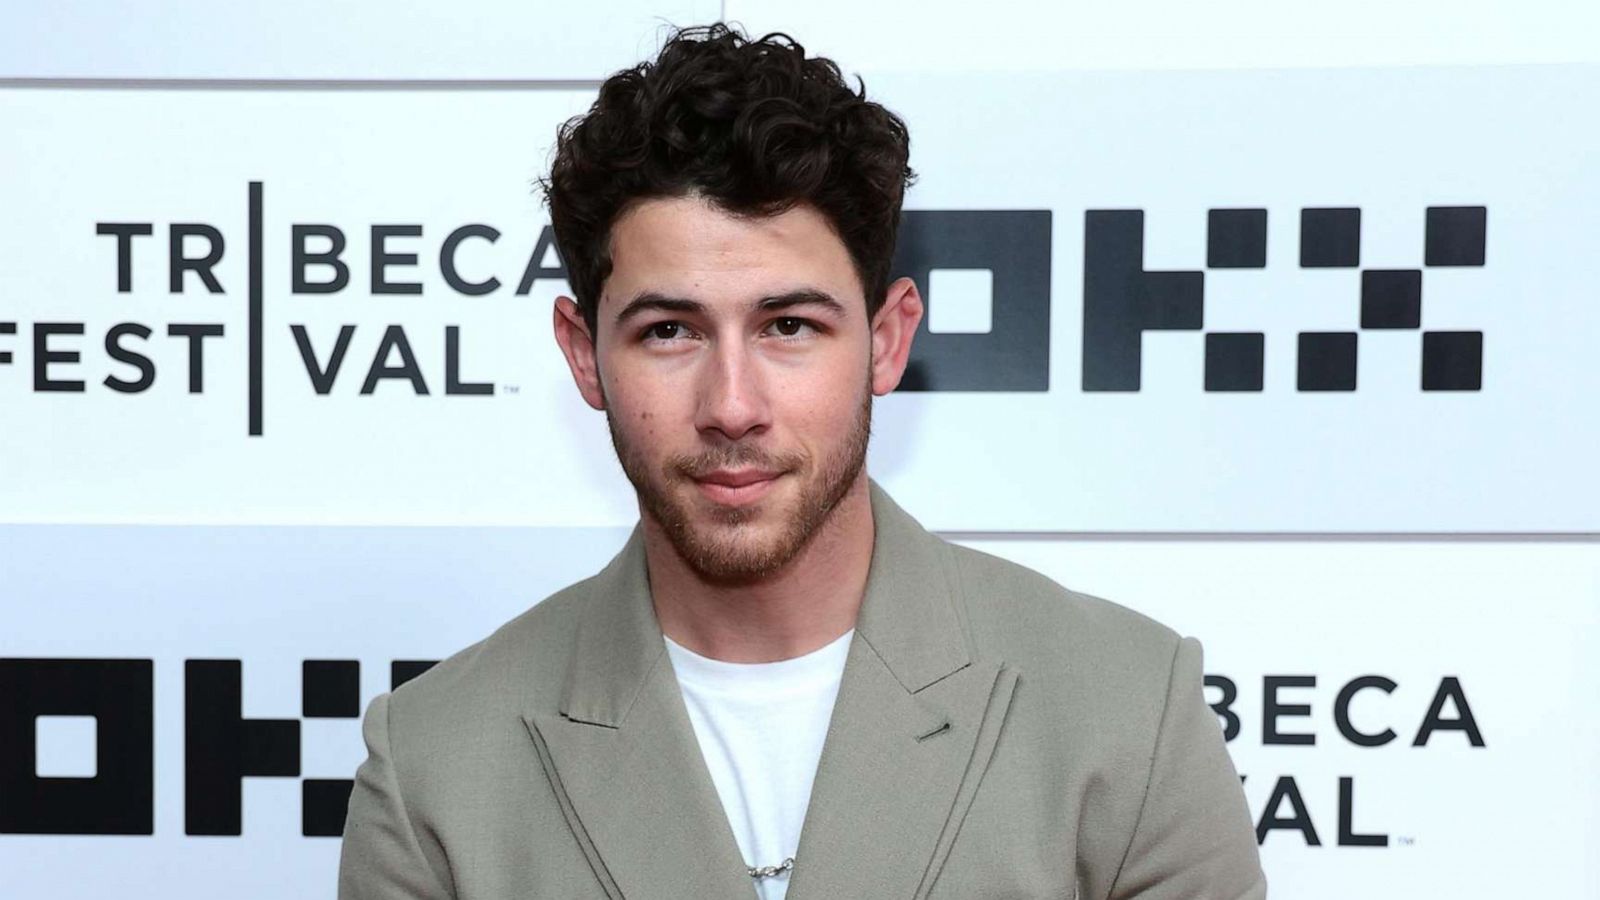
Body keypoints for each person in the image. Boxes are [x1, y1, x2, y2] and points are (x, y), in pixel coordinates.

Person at [338, 23, 1266, 900]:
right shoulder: (434, 769)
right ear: (585, 355)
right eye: (668, 330)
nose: (731, 406)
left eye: (789, 326)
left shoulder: (1127, 713)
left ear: (887, 341)